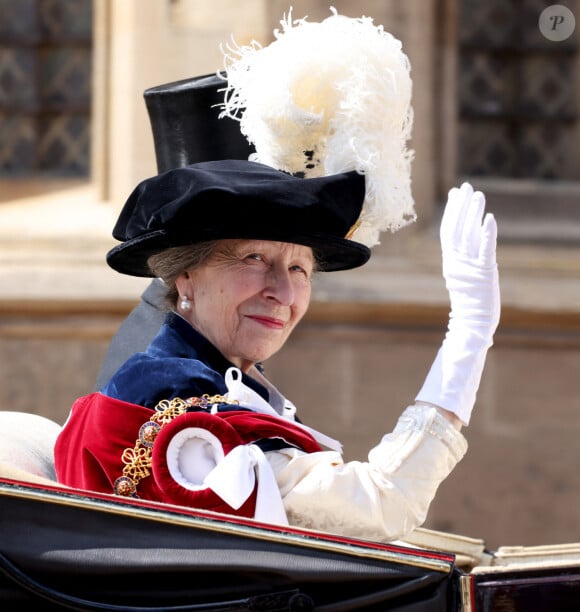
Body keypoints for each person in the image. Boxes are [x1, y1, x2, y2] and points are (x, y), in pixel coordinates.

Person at [55, 11, 500, 543]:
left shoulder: (208, 383)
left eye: (299, 268)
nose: (283, 293)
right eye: (252, 260)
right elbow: (379, 507)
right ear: (186, 276)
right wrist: (469, 334)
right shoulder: (178, 403)